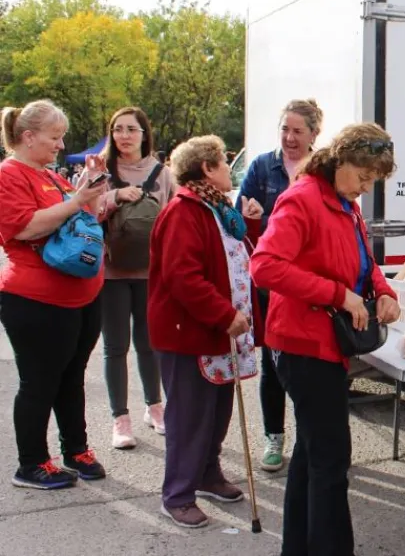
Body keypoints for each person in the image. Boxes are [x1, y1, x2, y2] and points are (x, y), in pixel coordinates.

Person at [251, 123, 401, 556]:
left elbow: (362, 261)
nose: (366, 188)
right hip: (301, 344)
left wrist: (384, 291)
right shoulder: (302, 198)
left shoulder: (343, 201)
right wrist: (338, 294)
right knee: (331, 461)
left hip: (325, 344)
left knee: (312, 455)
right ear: (342, 159)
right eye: (364, 177)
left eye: (373, 181)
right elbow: (265, 266)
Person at [147, 135, 265, 529]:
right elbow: (184, 277)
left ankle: (207, 474)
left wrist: (249, 222)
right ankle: (177, 494)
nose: (229, 169)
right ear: (207, 169)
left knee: (216, 409)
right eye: (223, 163)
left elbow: (233, 253)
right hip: (191, 333)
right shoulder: (184, 211)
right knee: (189, 415)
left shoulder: (217, 207)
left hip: (218, 331)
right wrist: (223, 314)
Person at [0, 100, 110, 490]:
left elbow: (86, 218)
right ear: (28, 137)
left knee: (71, 376)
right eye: (55, 137)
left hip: (79, 296)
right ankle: (31, 463)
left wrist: (91, 189)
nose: (61, 145)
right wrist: (77, 201)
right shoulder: (10, 174)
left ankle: (74, 449)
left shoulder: (52, 176)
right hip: (36, 300)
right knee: (40, 382)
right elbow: (24, 228)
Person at [237, 98, 323, 473]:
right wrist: (250, 215)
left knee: (310, 363)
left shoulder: (323, 169)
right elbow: (237, 217)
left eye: (297, 131)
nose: (289, 137)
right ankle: (274, 437)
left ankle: (311, 438)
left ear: (314, 135)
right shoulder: (261, 166)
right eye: (284, 129)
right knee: (273, 363)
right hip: (271, 281)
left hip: (311, 281)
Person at [98, 107, 178, 449]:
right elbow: (81, 209)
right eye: (118, 129)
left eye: (131, 129)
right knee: (115, 347)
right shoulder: (100, 170)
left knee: (150, 344)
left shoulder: (163, 174)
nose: (124, 135)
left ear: (145, 134)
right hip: (111, 272)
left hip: (151, 273)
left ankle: (155, 407)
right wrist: (114, 196)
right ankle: (121, 419)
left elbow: (177, 217)